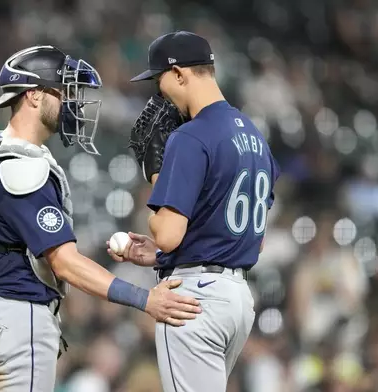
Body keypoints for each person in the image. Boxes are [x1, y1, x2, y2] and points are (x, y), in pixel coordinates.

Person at [0, 45, 202, 392]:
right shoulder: (22, 168)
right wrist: (145, 299)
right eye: (61, 92)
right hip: (15, 316)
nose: (71, 104)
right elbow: (65, 263)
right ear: (32, 96)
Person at [108, 31, 281, 392]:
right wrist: (156, 256)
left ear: (180, 74)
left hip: (193, 299)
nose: (160, 93)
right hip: (237, 300)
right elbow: (255, 242)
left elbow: (168, 234)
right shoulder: (254, 136)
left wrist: (156, 175)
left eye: (160, 81)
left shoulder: (190, 137)